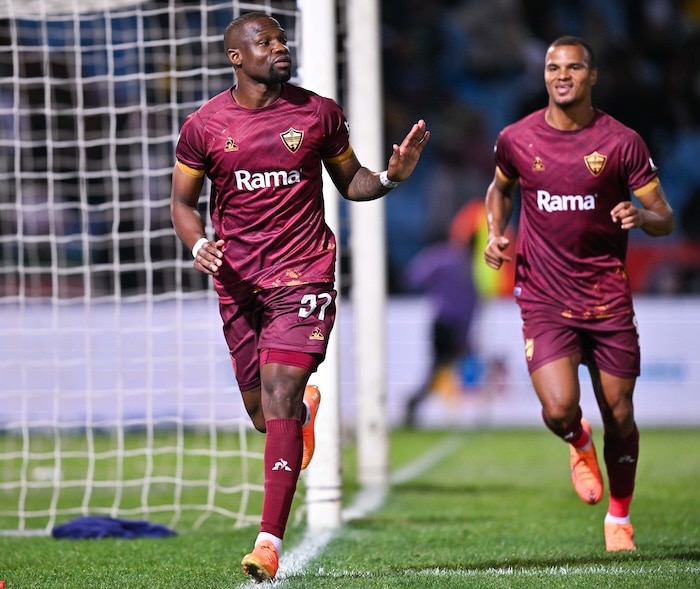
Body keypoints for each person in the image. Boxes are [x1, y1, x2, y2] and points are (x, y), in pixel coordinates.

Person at [169, 11, 429, 582]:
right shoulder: (204, 126)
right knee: (265, 415)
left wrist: (391, 177)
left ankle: (267, 543)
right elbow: (182, 204)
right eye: (265, 42)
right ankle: (302, 414)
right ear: (236, 57)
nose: (279, 48)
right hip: (238, 281)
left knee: (281, 390)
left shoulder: (317, 114)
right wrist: (198, 243)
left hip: (303, 274)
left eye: (281, 40)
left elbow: (352, 181)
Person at [483, 36, 674, 552]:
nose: (562, 75)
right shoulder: (517, 138)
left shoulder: (622, 142)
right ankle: (578, 441)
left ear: (592, 76)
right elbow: (500, 189)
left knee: (621, 415)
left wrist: (642, 216)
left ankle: (619, 519)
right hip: (544, 296)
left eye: (573, 67)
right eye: (553, 67)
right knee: (560, 409)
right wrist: (495, 231)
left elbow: (665, 216)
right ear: (544, 75)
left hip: (607, 297)